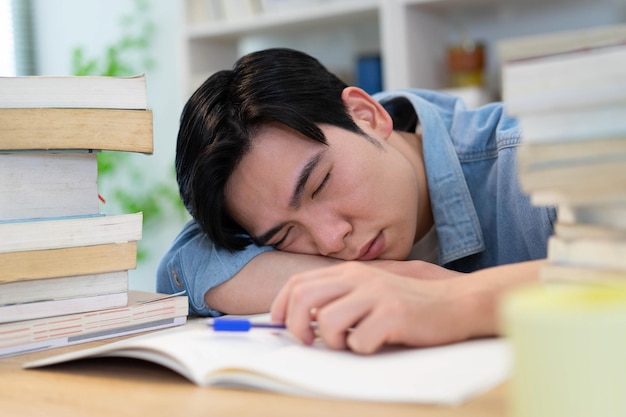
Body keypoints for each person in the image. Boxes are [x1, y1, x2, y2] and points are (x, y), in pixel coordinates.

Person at [158, 48, 555, 354]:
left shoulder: (539, 161)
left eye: (320, 183)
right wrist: (388, 277)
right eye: (284, 235)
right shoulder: (306, 164)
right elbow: (184, 267)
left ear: (367, 114)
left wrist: (447, 296)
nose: (331, 241)